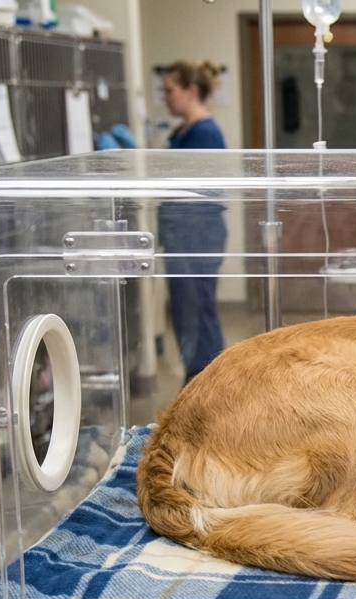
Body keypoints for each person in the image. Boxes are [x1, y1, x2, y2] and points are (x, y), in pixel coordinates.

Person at [159, 59, 229, 384]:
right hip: (183, 236)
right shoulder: (184, 130)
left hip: (197, 235)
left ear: (191, 90)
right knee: (187, 315)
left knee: (200, 314)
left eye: (170, 90)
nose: (165, 97)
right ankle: (196, 380)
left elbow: (194, 189)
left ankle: (208, 384)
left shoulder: (206, 134)